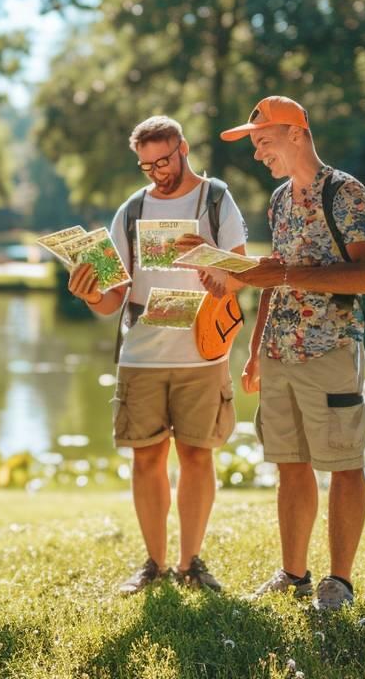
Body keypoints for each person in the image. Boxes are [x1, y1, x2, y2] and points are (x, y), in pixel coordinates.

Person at [67, 115, 249, 595]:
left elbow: (240, 273)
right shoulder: (131, 211)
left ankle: (192, 564)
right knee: (146, 460)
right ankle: (154, 563)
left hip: (203, 354)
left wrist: (212, 264)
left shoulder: (215, 198)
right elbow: (112, 301)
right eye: (146, 165)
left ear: (183, 148)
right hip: (142, 354)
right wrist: (89, 292)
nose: (156, 172)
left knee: (196, 455)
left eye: (163, 160)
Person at [217, 96, 365, 612]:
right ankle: (294, 575)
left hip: (330, 347)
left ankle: (340, 582)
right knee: (291, 462)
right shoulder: (280, 201)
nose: (257, 154)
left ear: (294, 133)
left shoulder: (346, 192)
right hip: (280, 352)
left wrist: (283, 273)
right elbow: (276, 273)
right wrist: (255, 349)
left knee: (343, 462)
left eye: (262, 141)